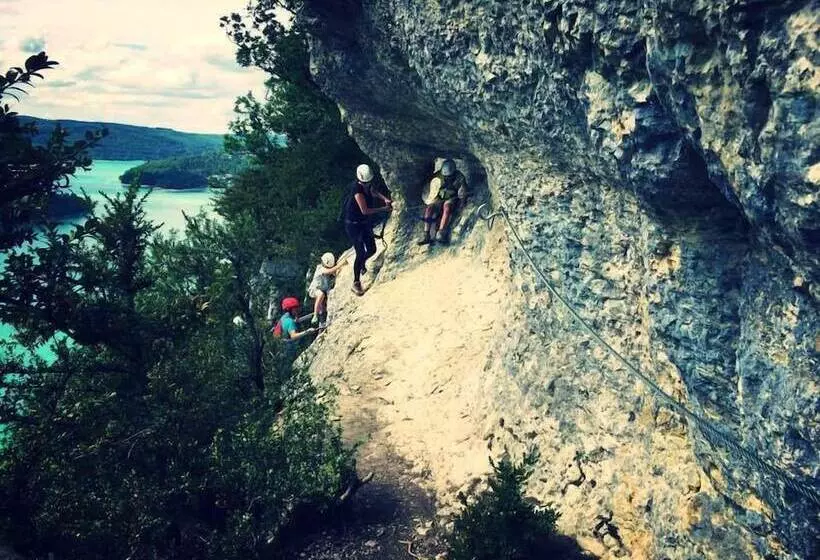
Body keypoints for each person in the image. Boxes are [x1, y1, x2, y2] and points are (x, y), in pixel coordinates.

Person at [344, 164, 392, 296]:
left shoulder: (367, 185)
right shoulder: (357, 189)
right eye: (365, 182)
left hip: (363, 223)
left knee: (372, 249)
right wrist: (383, 209)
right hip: (353, 226)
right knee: (360, 252)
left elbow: (372, 191)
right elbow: (364, 210)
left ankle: (361, 264)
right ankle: (356, 282)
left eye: (369, 182)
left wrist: (385, 199)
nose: (367, 184)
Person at [418, 158, 468, 246]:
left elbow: (463, 191)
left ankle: (441, 233)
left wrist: (462, 202)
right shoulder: (438, 176)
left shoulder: (459, 177)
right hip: (439, 197)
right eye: (445, 176)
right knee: (429, 208)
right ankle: (426, 234)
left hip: (451, 198)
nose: (447, 178)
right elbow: (431, 188)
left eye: (449, 176)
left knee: (447, 208)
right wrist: (430, 199)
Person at [308, 251, 346, 327]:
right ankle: (315, 314)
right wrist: (341, 264)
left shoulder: (325, 268)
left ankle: (322, 322)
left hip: (323, 289)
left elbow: (333, 273)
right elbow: (329, 271)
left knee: (323, 307)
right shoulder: (320, 268)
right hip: (315, 289)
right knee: (320, 295)